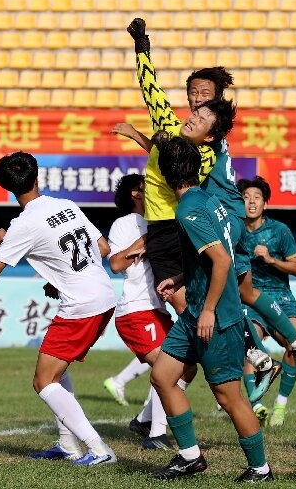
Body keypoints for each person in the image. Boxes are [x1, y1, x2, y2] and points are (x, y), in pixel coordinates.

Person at [117, 17, 296, 383]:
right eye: (193, 96)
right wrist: (142, 48)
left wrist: (147, 137)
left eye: (204, 99)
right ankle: (289, 342)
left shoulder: (205, 149)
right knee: (238, 287)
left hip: (178, 223)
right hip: (200, 219)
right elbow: (151, 89)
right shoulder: (183, 130)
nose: (196, 102)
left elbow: (176, 163)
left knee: (185, 298)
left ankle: (250, 349)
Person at [149, 136, 272, 482]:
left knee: (229, 396)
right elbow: (222, 251)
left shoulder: (188, 209)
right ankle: (190, 457)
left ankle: (260, 469)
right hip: (195, 313)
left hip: (216, 318)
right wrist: (179, 277)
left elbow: (220, 261)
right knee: (162, 376)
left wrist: (209, 310)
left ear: (163, 173)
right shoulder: (207, 199)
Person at [0, 151, 118, 466]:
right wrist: (60, 279)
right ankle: (68, 445)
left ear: (8, 188)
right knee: (56, 372)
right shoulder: (65, 206)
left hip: (82, 306)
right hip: (103, 295)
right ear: (37, 177)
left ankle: (99, 449)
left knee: (43, 381)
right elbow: (102, 247)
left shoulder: (22, 224)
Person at [105, 173, 175, 450]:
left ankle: (144, 420)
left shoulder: (162, 220)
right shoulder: (126, 223)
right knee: (167, 367)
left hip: (158, 309)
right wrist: (143, 242)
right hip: (136, 310)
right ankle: (157, 435)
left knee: (187, 369)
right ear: (135, 193)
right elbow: (115, 264)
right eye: (147, 184)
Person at [237, 176, 296, 427]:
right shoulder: (235, 231)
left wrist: (271, 260)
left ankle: (280, 405)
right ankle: (257, 406)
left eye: (257, 197)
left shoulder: (279, 231)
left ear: (265, 204)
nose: (251, 202)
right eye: (246, 197)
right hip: (250, 298)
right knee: (251, 348)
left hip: (280, 296)